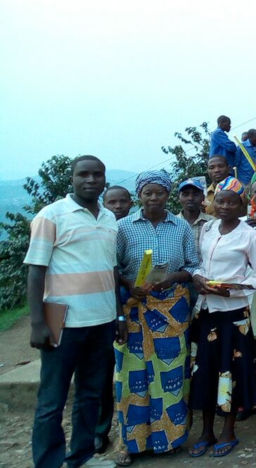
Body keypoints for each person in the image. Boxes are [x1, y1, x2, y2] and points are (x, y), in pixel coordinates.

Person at [26, 155, 122, 468]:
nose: (91, 180)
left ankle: (81, 457)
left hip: (102, 319)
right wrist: (37, 323)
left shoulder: (108, 217)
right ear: (73, 178)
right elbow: (36, 271)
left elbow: (111, 269)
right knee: (52, 400)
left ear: (104, 179)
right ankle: (48, 463)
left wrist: (118, 315)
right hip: (60, 318)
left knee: (90, 394)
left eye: (97, 174)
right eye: (84, 174)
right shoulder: (52, 215)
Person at [113, 170, 199, 466]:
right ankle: (130, 442)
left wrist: (172, 277)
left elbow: (193, 265)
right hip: (134, 308)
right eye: (147, 193)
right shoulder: (123, 227)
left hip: (171, 308)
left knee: (171, 372)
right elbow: (113, 268)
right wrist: (130, 285)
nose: (153, 198)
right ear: (139, 195)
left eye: (159, 193)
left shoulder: (181, 227)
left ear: (167, 195)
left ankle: (170, 439)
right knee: (131, 375)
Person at [189, 190, 256, 458]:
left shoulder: (250, 236)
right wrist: (199, 278)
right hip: (206, 312)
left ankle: (228, 431)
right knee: (206, 371)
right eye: (220, 201)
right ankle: (206, 432)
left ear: (241, 206)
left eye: (231, 202)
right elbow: (200, 264)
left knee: (230, 372)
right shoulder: (209, 229)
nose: (224, 206)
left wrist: (232, 290)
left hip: (233, 315)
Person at [95, 186, 132, 455]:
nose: (117, 207)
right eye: (112, 202)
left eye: (122, 202)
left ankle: (129, 429)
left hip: (129, 306)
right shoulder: (100, 229)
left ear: (131, 203)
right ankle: (101, 430)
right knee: (102, 372)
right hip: (100, 307)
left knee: (127, 372)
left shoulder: (134, 228)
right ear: (104, 204)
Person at [176, 177, 215, 247]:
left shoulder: (213, 223)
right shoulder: (172, 223)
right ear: (179, 197)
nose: (190, 198)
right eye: (186, 194)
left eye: (195, 194)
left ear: (203, 197)